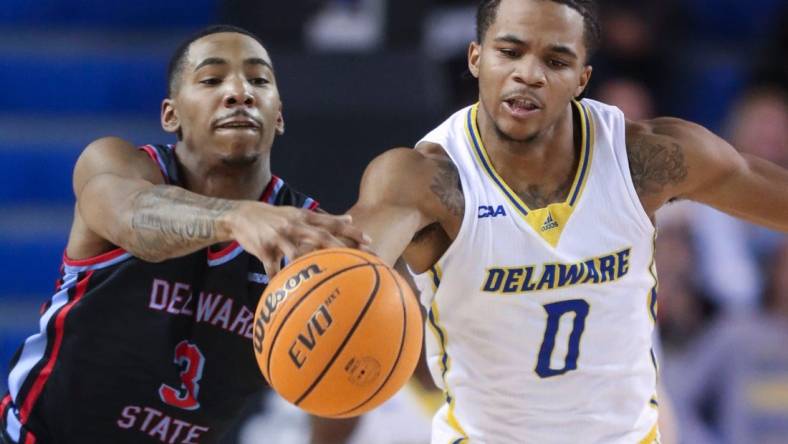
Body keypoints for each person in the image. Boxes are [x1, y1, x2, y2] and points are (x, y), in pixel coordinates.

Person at [344, 0, 788, 442]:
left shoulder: (642, 161)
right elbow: (354, 260)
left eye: (556, 60)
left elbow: (761, 187)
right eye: (510, 52)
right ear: (475, 58)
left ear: (583, 78)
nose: (529, 74)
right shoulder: (427, 178)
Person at [0, 25, 368, 444]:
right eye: (212, 80)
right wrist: (235, 217)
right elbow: (131, 217)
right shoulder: (120, 166)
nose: (239, 93)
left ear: (278, 114)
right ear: (170, 114)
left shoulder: (306, 235)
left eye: (259, 80)